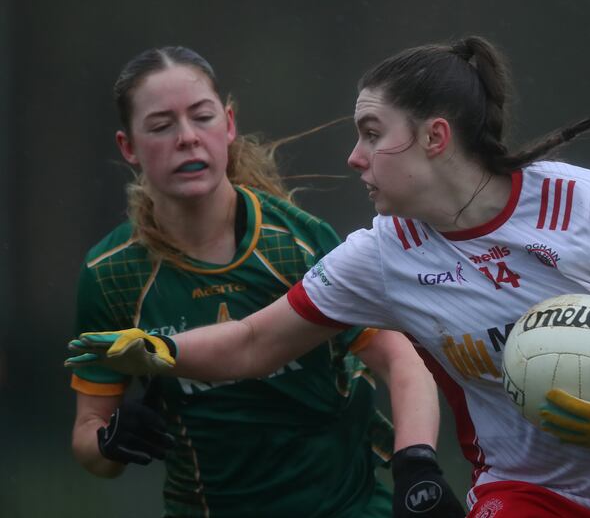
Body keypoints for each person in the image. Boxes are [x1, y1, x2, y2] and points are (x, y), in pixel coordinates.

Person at [68, 37, 590, 517]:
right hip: (532, 494)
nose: (353, 156)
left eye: (372, 133)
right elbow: (254, 341)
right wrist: (163, 351)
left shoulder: (586, 207)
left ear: (436, 137)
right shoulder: (382, 255)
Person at [67, 46, 464, 518]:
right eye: (161, 125)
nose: (188, 138)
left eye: (202, 117)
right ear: (128, 147)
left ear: (229, 125)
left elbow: (404, 364)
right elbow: (89, 438)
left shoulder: (296, 243)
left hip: (347, 508)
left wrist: (416, 465)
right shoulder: (110, 274)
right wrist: (109, 441)